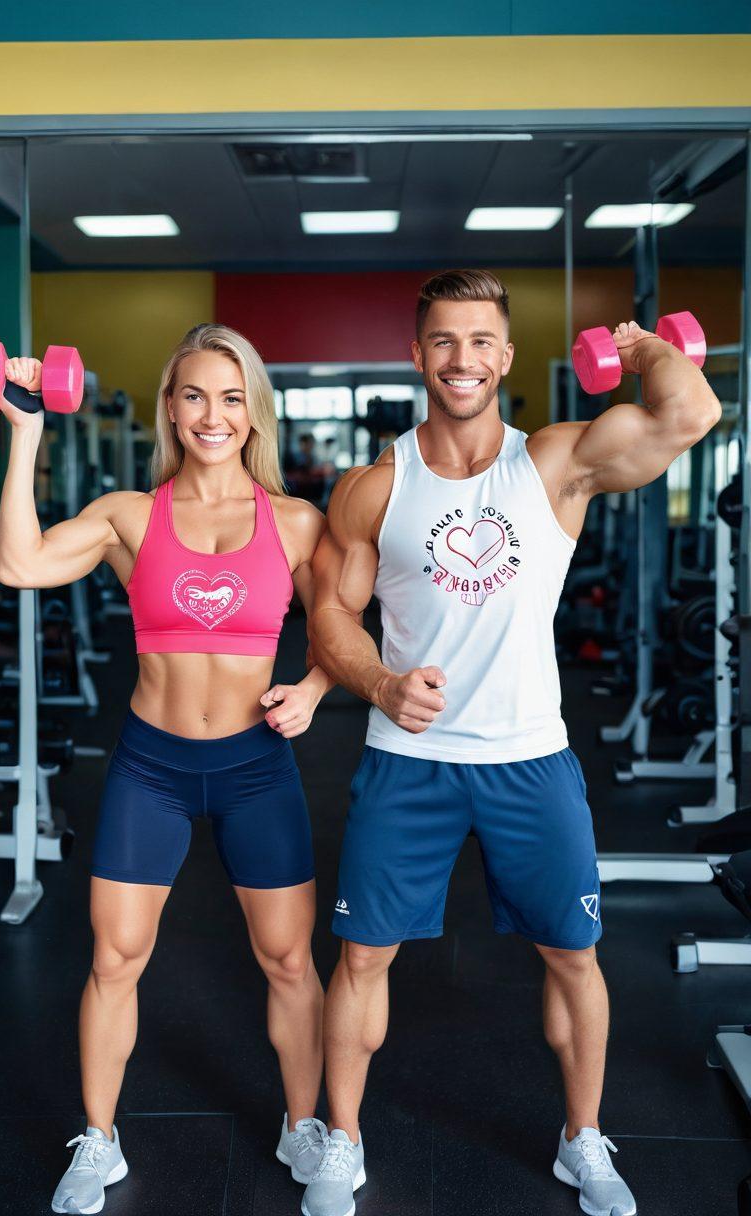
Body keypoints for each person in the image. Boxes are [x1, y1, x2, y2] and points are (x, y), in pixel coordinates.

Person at [305, 269, 722, 1216]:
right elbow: (331, 612)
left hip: (530, 756)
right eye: (444, 341)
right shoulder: (375, 486)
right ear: (418, 355)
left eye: (481, 341)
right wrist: (378, 681)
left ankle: (584, 1139)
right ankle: (343, 1139)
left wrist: (644, 347)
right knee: (363, 957)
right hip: (408, 758)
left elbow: (687, 415)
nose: (463, 359)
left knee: (574, 955)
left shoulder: (556, 463)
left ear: (505, 356)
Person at [0, 323, 334, 1215]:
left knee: (290, 958)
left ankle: (305, 1124)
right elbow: (20, 563)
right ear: (171, 408)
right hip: (152, 765)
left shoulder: (296, 522)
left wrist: (318, 683)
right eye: (194, 396)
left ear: (252, 410)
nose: (211, 415)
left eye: (230, 397)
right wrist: (25, 431)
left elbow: (349, 620)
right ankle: (97, 1140)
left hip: (259, 764)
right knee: (115, 956)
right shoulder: (128, 515)